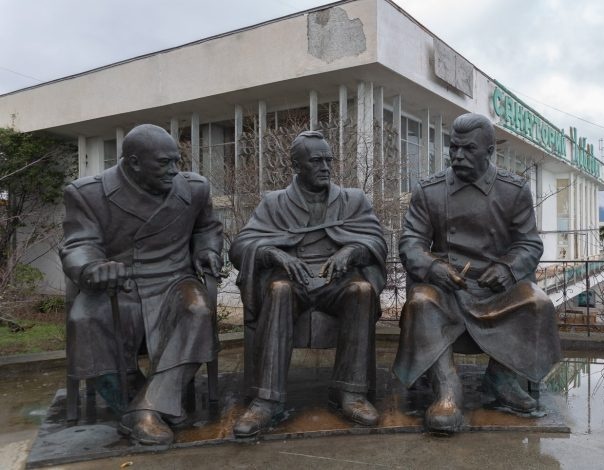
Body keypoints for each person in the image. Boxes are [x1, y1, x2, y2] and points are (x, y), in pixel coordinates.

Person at [393, 113, 561, 432]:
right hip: (447, 287)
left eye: (468, 149)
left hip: (496, 289)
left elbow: (529, 243)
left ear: (489, 152)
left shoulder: (514, 190)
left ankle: (501, 380)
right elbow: (410, 242)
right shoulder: (429, 190)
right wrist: (433, 267)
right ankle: (447, 389)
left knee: (538, 302)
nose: (458, 156)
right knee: (421, 302)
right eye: (453, 147)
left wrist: (507, 269)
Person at [61, 124, 223, 445]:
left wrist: (207, 251)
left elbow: (207, 229)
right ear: (133, 162)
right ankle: (136, 401)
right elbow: (79, 243)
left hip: (174, 278)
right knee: (86, 319)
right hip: (117, 283)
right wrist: (93, 267)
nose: (174, 170)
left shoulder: (194, 188)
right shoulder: (88, 193)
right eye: (164, 163)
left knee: (197, 311)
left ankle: (145, 409)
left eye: (177, 161)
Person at [230, 130, 387, 438]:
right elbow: (240, 246)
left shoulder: (352, 200)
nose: (325, 167)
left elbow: (376, 241)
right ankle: (266, 400)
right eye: (316, 161)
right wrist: (274, 253)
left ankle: (351, 393)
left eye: (328, 160)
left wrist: (351, 251)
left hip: (337, 281)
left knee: (362, 290)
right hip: (293, 281)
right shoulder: (275, 202)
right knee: (278, 290)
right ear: (296, 165)